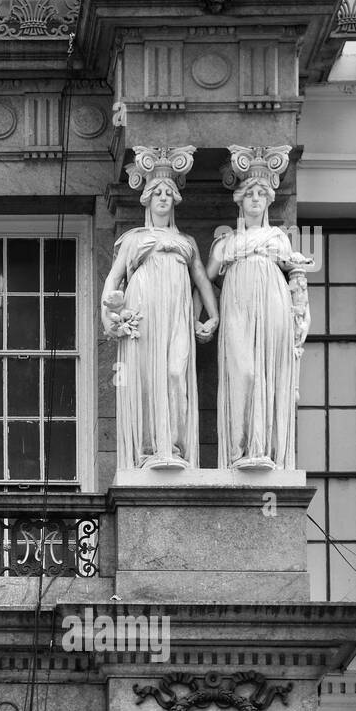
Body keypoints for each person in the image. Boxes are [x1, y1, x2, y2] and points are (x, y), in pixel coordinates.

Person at [101, 145, 219, 470]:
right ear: (148, 199)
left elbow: (203, 282)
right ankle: (152, 448)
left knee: (174, 373)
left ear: (174, 201)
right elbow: (113, 279)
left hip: (178, 317)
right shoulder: (133, 239)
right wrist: (108, 316)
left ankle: (176, 447)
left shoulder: (187, 243)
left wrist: (214, 316)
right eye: (158, 193)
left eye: (169, 193)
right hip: (145, 312)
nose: (164, 198)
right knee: (146, 378)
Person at [207, 144, 308, 470]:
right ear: (241, 200)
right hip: (237, 308)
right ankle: (239, 450)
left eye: (260, 195)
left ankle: (261, 449)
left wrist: (299, 297)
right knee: (245, 373)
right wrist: (207, 315)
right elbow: (204, 279)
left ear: (267, 202)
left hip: (271, 306)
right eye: (249, 194)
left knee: (267, 373)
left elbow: (296, 275)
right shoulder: (226, 243)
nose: (254, 200)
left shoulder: (279, 238)